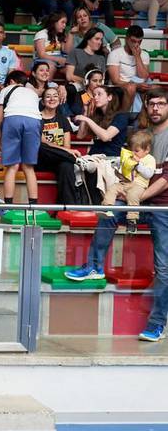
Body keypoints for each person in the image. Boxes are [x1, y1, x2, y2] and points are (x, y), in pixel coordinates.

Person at [65, 89, 168, 340]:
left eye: (161, 104)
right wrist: (123, 190)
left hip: (163, 208)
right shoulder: (141, 135)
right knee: (108, 212)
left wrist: (135, 199)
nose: (155, 108)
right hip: (138, 200)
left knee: (164, 269)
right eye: (151, 104)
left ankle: (157, 323)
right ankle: (95, 266)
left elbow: (165, 180)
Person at [0, 71, 41, 204]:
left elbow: (0, 119)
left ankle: (8, 205)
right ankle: (33, 206)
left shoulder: (6, 89)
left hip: (13, 118)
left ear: (10, 82)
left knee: (12, 166)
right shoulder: (32, 93)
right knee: (28, 167)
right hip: (34, 121)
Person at [100, 130, 156, 232]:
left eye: (137, 150)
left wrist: (138, 165)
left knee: (133, 195)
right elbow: (121, 164)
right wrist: (117, 163)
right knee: (112, 188)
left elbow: (149, 174)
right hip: (125, 183)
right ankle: (107, 208)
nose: (133, 153)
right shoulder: (131, 156)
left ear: (147, 149)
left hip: (139, 185)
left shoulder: (149, 159)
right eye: (132, 150)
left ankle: (132, 219)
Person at [36, 85, 81, 205]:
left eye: (55, 96)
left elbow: (67, 146)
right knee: (40, 146)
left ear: (59, 99)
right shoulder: (36, 118)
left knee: (66, 166)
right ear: (43, 100)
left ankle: (66, 207)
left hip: (59, 159)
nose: (52, 99)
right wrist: (68, 152)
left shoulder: (63, 120)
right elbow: (43, 142)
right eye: (48, 97)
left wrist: (67, 152)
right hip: (42, 159)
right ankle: (76, 160)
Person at [107, 26, 153, 112]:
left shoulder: (144, 55)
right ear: (126, 39)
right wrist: (136, 85)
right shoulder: (115, 54)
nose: (136, 45)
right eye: (133, 41)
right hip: (120, 87)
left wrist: (137, 57)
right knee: (131, 88)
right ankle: (123, 116)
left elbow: (143, 77)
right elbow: (115, 80)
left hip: (139, 84)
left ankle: (146, 118)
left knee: (156, 89)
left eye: (139, 42)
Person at [33, 12, 71, 78]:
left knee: (71, 68)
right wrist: (58, 59)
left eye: (65, 23)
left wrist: (70, 35)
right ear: (54, 22)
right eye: (62, 22)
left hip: (59, 60)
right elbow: (41, 55)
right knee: (50, 67)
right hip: (44, 59)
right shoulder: (41, 34)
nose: (64, 25)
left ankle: (69, 87)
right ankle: (47, 86)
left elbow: (66, 51)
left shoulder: (61, 35)